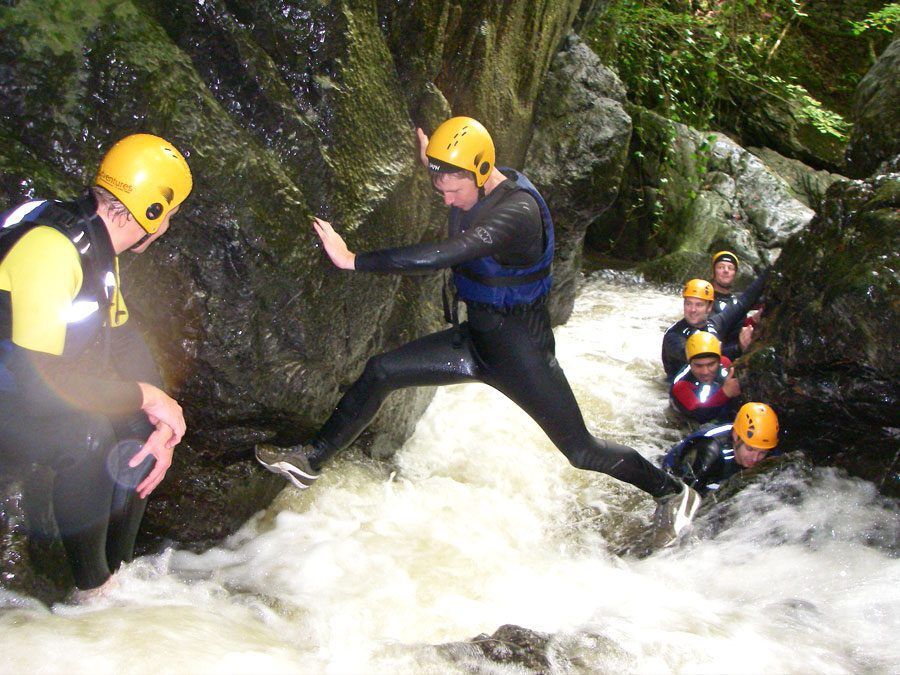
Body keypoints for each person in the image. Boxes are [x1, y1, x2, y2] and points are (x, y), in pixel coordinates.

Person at [256, 116, 700, 547]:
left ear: (483, 171)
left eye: (453, 189)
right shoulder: (470, 179)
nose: (447, 200)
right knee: (381, 371)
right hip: (475, 343)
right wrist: (433, 157)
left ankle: (671, 492)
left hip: (521, 355)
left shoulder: (518, 213)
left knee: (582, 451)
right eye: (439, 188)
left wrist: (353, 259)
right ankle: (311, 461)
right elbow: (454, 180)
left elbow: (447, 252)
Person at [0, 134, 191, 595]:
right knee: (86, 437)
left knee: (142, 430)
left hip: (20, 386)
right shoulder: (50, 250)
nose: (167, 224)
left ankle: (116, 574)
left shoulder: (97, 243)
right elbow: (39, 388)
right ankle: (92, 592)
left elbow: (123, 338)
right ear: (151, 214)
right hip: (15, 389)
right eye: (169, 213)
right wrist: (146, 396)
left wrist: (164, 414)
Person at [660, 270, 766, 382]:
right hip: (679, 391)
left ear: (709, 307)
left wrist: (771, 269)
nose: (692, 310)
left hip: (708, 384)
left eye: (699, 305)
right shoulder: (673, 335)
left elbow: (743, 302)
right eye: (688, 303)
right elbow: (698, 357)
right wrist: (739, 347)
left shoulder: (713, 324)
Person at [662, 402, 780, 495]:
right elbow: (680, 496)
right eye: (750, 449)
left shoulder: (769, 451)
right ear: (735, 436)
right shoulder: (710, 450)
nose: (755, 458)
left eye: (762, 453)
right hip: (676, 473)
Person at [670, 331, 740, 424]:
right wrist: (725, 393)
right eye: (698, 366)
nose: (705, 372)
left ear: (719, 361)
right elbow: (699, 415)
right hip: (686, 424)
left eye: (711, 364)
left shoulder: (725, 363)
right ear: (689, 364)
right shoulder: (681, 386)